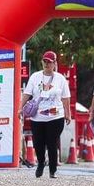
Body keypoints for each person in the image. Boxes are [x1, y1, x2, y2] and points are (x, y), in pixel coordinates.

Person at [21, 50, 71, 179]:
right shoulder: (35, 77)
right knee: (38, 143)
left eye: (49, 62)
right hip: (37, 116)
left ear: (54, 63)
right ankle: (41, 163)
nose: (47, 64)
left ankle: (53, 169)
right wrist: (20, 108)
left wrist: (67, 113)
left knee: (52, 142)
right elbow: (27, 93)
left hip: (55, 116)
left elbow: (65, 98)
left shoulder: (60, 78)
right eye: (45, 61)